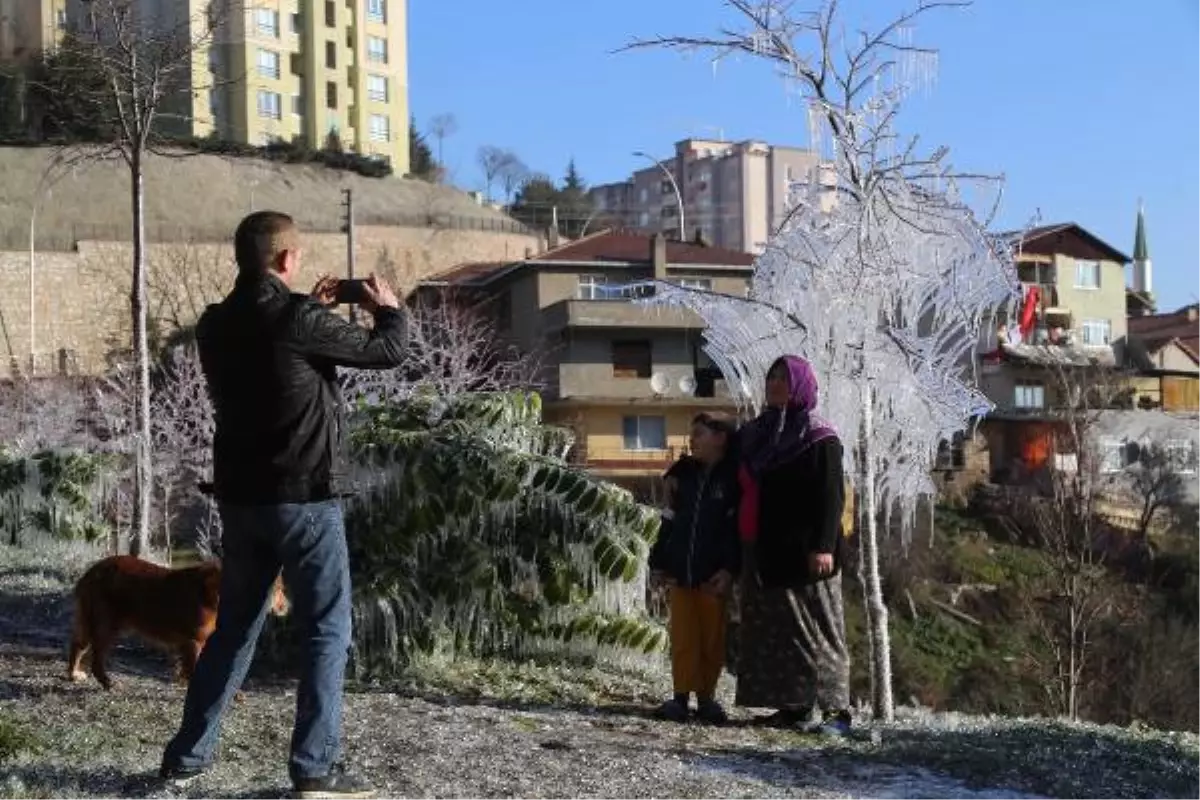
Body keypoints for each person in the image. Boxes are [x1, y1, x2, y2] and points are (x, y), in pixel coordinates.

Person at [159, 211, 407, 798]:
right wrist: (386, 305)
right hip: (305, 502)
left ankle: (187, 758)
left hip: (243, 504)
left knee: (233, 631)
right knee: (326, 628)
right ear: (287, 259)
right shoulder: (299, 318)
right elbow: (390, 350)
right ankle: (315, 768)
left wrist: (310, 308)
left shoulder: (213, 325)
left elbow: (276, 344)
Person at [735, 355, 853, 736]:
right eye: (770, 377)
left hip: (808, 553)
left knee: (820, 630)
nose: (774, 384)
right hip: (769, 551)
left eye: (783, 378)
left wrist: (823, 545)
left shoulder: (820, 435)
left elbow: (831, 495)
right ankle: (793, 706)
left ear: (801, 385)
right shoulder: (760, 434)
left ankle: (837, 713)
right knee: (781, 632)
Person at [648, 412, 741, 724]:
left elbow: (735, 531)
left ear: (721, 438)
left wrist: (729, 569)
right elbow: (669, 518)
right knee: (683, 636)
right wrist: (658, 560)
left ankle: (706, 698)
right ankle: (679, 696)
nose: (692, 440)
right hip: (680, 570)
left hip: (712, 575)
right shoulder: (683, 474)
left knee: (711, 639)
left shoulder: (733, 480)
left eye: (699, 434)